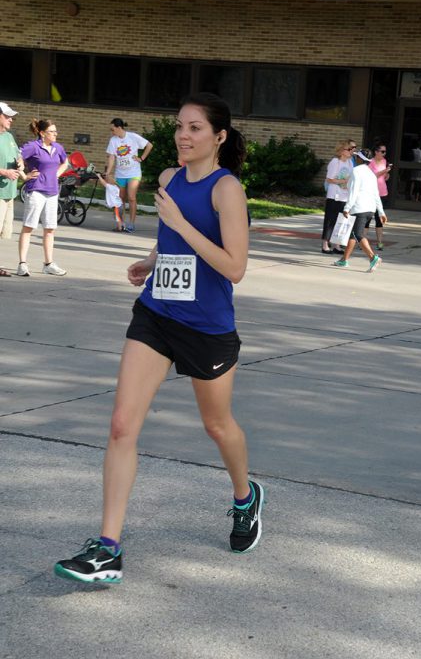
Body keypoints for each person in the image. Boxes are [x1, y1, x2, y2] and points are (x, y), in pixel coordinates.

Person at [54, 92, 265, 584]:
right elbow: (170, 240)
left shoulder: (226, 189)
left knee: (217, 427)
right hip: (156, 313)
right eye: (178, 127)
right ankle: (108, 548)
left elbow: (234, 268)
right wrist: (152, 260)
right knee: (122, 424)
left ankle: (245, 496)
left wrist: (178, 225)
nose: (183, 136)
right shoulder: (169, 178)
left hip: (206, 327)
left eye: (194, 128)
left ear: (219, 137)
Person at [17, 119, 69, 277]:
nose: (55, 134)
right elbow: (17, 157)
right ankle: (22, 264)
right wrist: (24, 176)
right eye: (52, 131)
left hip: (52, 192)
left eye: (55, 131)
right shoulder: (33, 146)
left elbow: (65, 162)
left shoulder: (57, 147)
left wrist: (55, 175)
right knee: (29, 227)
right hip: (36, 191)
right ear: (42, 133)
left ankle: (48, 264)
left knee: (50, 229)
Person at [334, 148, 387, 272]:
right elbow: (376, 194)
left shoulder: (356, 171)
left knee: (358, 235)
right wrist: (381, 212)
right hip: (370, 209)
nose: (354, 158)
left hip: (359, 208)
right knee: (353, 235)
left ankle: (373, 257)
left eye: (356, 156)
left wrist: (347, 208)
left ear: (359, 159)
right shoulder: (371, 173)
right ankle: (343, 260)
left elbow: (354, 191)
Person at [105, 118, 153, 233]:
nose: (112, 132)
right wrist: (108, 172)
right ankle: (120, 224)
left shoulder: (132, 137)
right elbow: (112, 157)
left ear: (119, 127)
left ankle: (131, 224)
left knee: (131, 197)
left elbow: (149, 145)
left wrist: (141, 158)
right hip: (120, 173)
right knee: (120, 199)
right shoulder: (113, 140)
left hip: (134, 173)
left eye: (113, 129)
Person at [0, 102, 26, 276]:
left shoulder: (9, 137)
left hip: (9, 192)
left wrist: (21, 162)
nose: (11, 119)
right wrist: (4, 172)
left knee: (3, 233)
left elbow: (18, 155)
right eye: (7, 116)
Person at [321, 140, 354, 254]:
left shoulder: (350, 162)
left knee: (341, 221)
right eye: (348, 149)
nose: (351, 151)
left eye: (351, 149)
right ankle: (325, 244)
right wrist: (343, 181)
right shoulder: (335, 162)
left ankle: (337, 245)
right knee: (330, 221)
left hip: (345, 196)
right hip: (334, 195)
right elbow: (329, 179)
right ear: (341, 150)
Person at [364, 142, 391, 250]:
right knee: (367, 218)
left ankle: (379, 242)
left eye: (385, 151)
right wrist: (384, 171)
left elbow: (383, 176)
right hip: (371, 193)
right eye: (382, 151)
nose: (384, 154)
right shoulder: (370, 162)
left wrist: (387, 174)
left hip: (382, 192)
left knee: (379, 218)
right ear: (376, 152)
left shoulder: (384, 161)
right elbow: (371, 176)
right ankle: (363, 242)